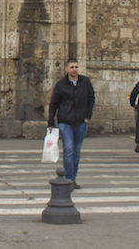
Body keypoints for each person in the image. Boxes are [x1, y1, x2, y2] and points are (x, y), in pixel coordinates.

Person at [47, 59, 95, 187]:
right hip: (65, 121)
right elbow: (54, 104)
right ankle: (68, 178)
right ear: (66, 69)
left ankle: (73, 178)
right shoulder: (61, 85)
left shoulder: (85, 82)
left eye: (76, 67)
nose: (74, 69)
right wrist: (51, 122)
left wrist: (87, 116)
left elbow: (91, 98)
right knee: (68, 149)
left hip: (80, 121)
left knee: (76, 151)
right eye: (72, 67)